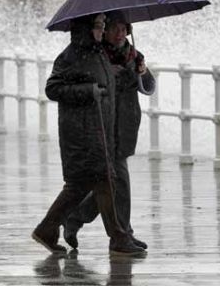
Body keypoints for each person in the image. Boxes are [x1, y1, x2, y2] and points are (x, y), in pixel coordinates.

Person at [32, 13, 145, 256]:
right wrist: (89, 90)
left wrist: (132, 71)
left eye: (102, 26)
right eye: (98, 26)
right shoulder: (72, 55)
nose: (101, 30)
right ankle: (118, 236)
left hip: (99, 129)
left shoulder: (97, 53)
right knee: (89, 183)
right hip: (81, 132)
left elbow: (112, 85)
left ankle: (50, 229)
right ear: (85, 28)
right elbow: (53, 88)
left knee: (96, 182)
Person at [62, 13, 155, 251]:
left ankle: (75, 218)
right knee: (118, 179)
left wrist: (142, 72)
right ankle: (122, 235)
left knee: (110, 184)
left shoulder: (133, 55)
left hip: (125, 124)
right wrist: (106, 76)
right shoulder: (97, 56)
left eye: (124, 29)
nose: (120, 34)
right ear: (104, 31)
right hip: (102, 124)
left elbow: (149, 87)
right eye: (115, 28)